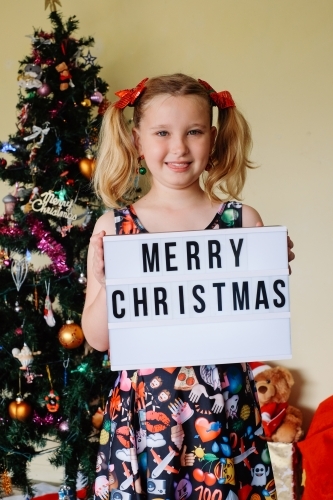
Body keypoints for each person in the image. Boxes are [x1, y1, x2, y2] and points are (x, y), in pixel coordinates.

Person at [82, 74, 295, 500]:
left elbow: (255, 319)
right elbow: (97, 338)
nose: (178, 148)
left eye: (193, 132)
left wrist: (271, 272)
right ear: (137, 139)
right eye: (162, 132)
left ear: (212, 139)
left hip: (224, 415)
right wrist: (107, 284)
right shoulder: (114, 229)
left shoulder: (242, 221)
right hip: (146, 417)